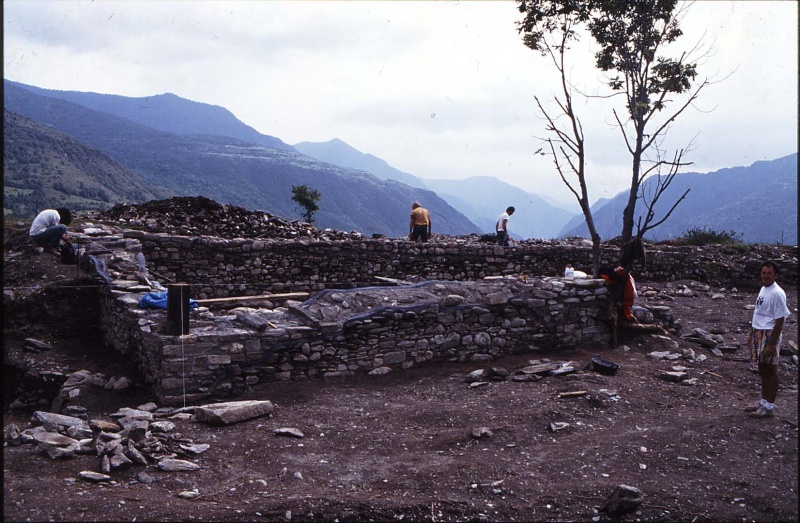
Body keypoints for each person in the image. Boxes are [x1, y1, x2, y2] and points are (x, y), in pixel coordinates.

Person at [744, 260, 791, 418]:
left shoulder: (777, 293)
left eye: (769, 273)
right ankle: (763, 402)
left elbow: (780, 320)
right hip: (758, 331)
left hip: (769, 332)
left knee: (771, 369)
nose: (765, 276)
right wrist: (751, 333)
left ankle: (769, 406)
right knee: (762, 367)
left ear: (775, 275)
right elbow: (757, 312)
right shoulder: (763, 289)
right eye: (763, 273)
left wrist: (771, 343)